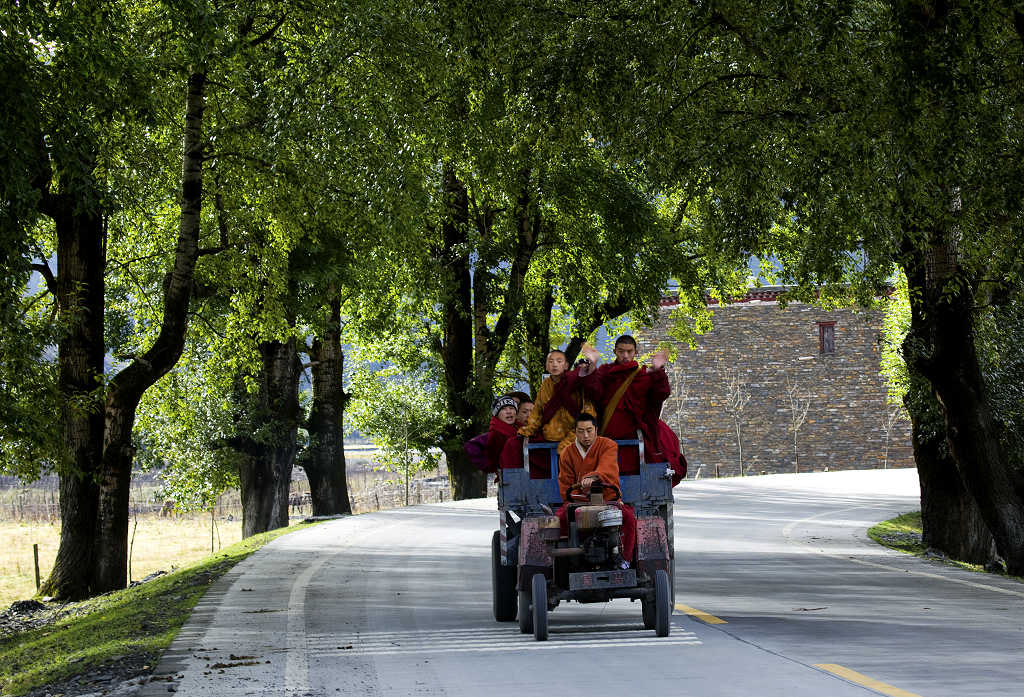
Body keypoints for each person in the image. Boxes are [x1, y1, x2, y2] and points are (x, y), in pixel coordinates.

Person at [582, 335, 671, 475]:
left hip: (634, 437)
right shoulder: (605, 372)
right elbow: (593, 393)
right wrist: (592, 365)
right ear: (614, 352)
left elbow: (661, 394)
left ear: (636, 352)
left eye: (629, 351)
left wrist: (658, 370)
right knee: (607, 475)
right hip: (607, 434)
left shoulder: (643, 375)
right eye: (621, 351)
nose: (625, 355)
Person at [555, 414, 637, 567]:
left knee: (629, 518)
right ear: (575, 432)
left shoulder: (608, 445)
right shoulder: (567, 452)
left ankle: (625, 559)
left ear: (596, 430)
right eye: (580, 431)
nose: (585, 436)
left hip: (607, 499)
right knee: (558, 521)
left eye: (589, 430)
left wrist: (593, 477)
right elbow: (565, 482)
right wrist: (578, 493)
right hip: (578, 501)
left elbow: (608, 468)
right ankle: (563, 563)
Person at [518, 349, 598, 454]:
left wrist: (571, 439)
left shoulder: (577, 383)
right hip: (550, 436)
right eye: (551, 362)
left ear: (566, 366)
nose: (554, 365)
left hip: (574, 435)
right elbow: (538, 410)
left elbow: (589, 414)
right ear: (546, 366)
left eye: (559, 361)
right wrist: (530, 429)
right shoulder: (545, 385)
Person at [484, 396, 519, 474]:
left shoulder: (521, 428)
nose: (508, 411)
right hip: (508, 477)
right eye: (503, 409)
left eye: (511, 408)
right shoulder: (494, 435)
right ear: (497, 415)